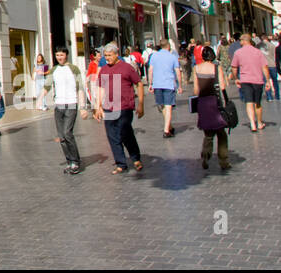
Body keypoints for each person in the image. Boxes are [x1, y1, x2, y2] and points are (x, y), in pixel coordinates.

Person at [92, 42, 145, 174]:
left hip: (125, 106)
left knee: (124, 132)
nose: (107, 58)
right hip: (109, 106)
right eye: (105, 56)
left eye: (109, 55)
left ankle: (135, 157)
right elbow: (100, 88)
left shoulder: (127, 68)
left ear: (116, 54)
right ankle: (121, 163)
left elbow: (138, 83)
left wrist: (141, 104)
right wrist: (98, 106)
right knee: (112, 135)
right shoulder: (104, 69)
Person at [44, 48, 92, 174]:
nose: (59, 57)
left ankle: (76, 161)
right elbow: (47, 86)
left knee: (67, 133)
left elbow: (80, 88)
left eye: (62, 54)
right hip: (58, 106)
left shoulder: (74, 69)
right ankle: (70, 161)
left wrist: (82, 107)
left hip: (71, 104)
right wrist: (39, 99)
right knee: (61, 136)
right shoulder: (53, 70)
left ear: (66, 55)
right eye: (57, 55)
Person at [194, 47, 230, 171]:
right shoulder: (216, 68)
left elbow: (195, 90)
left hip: (203, 103)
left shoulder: (196, 68)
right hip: (214, 102)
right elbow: (222, 86)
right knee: (222, 134)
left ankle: (205, 155)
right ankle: (224, 161)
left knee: (208, 134)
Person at [229, 34, 273, 132]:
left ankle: (252, 124)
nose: (239, 42)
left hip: (245, 80)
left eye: (240, 40)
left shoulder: (238, 52)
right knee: (257, 103)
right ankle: (259, 122)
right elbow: (264, 67)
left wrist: (236, 78)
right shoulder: (258, 52)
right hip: (258, 80)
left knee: (249, 102)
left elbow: (234, 67)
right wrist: (268, 80)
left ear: (244, 41)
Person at [147, 41, 182, 137]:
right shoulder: (172, 57)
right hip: (169, 83)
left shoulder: (154, 56)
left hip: (157, 84)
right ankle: (166, 130)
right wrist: (180, 85)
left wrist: (150, 83)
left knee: (162, 106)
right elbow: (178, 72)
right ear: (168, 46)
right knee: (168, 106)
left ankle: (169, 126)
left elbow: (150, 70)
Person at [261, 34, 278, 101]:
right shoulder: (272, 45)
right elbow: (275, 55)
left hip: (264, 66)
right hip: (272, 64)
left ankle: (269, 97)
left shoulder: (259, 46)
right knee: (275, 81)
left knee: (266, 81)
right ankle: (277, 96)